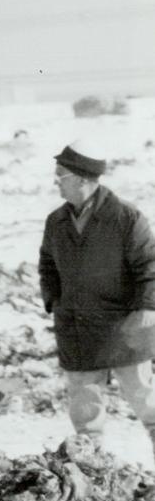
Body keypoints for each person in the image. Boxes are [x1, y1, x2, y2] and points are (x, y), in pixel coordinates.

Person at [38, 140, 155, 456]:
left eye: (60, 174)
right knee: (84, 403)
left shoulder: (127, 218)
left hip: (124, 324)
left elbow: (149, 266)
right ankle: (93, 462)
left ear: (81, 178)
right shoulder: (56, 221)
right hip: (76, 325)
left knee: (144, 396)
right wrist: (53, 300)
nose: (56, 181)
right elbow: (47, 264)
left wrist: (147, 306)